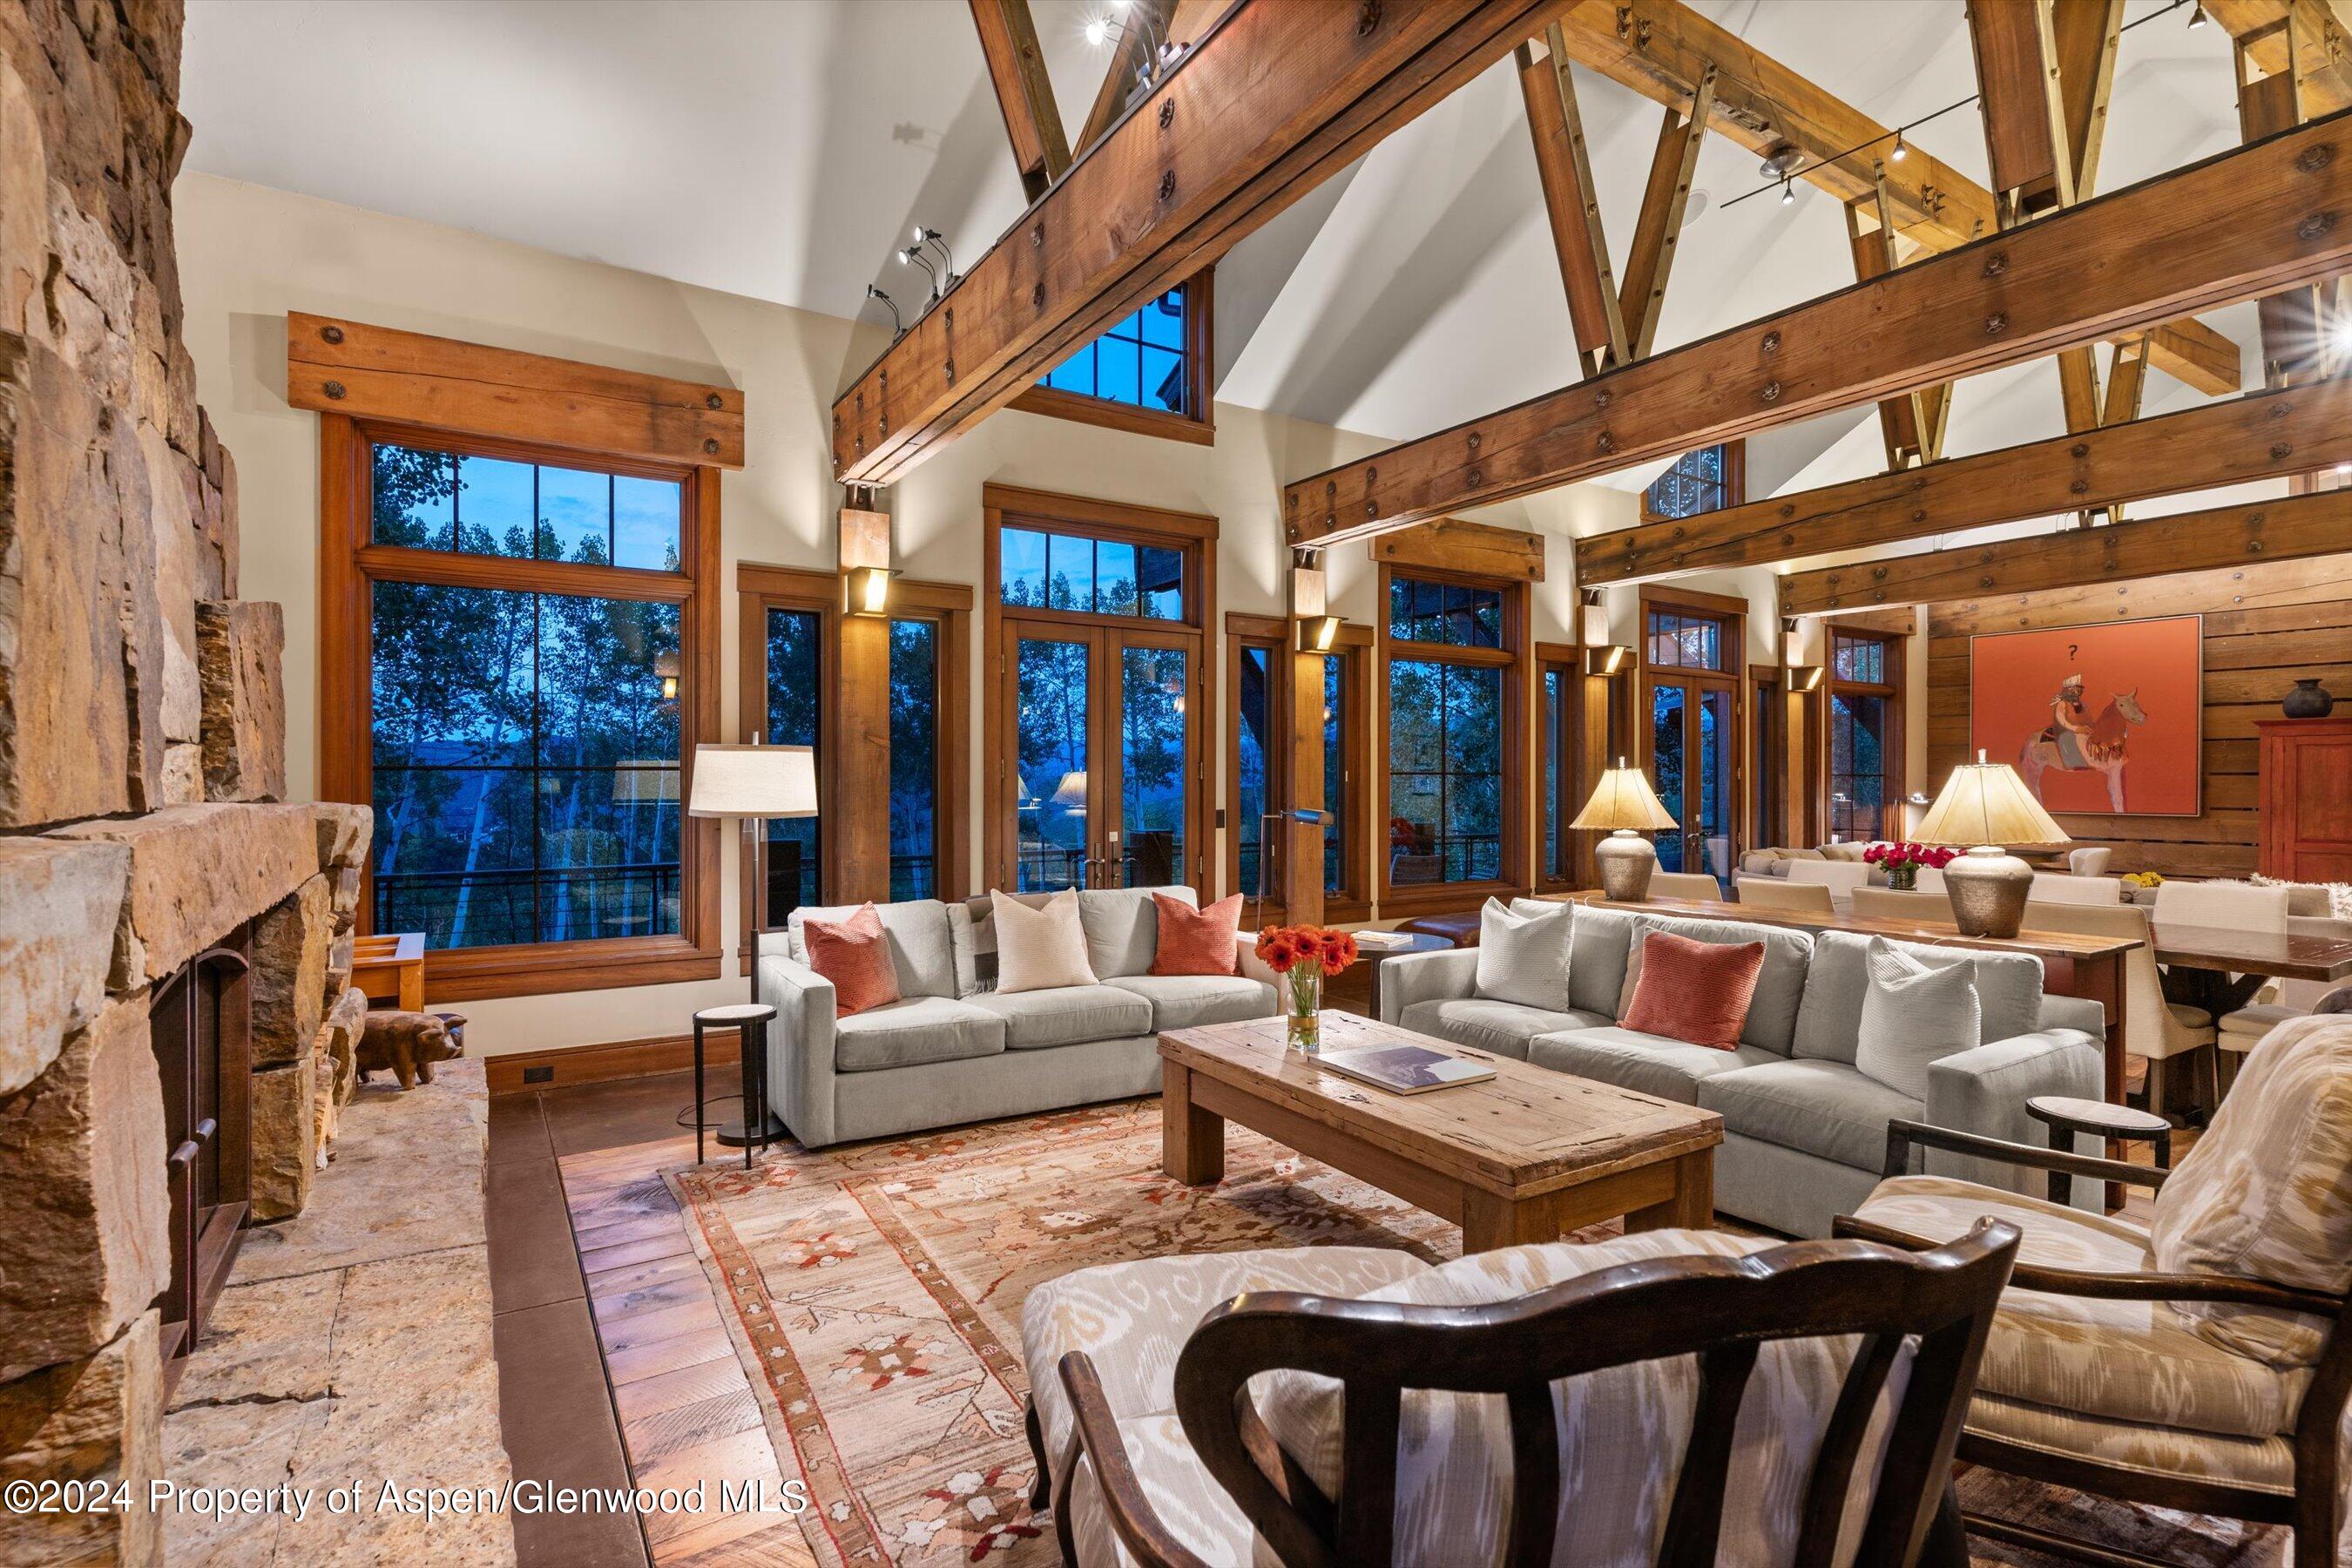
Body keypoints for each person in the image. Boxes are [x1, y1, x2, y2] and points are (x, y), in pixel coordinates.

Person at [2038, 672, 2093, 769]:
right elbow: (2062, 721)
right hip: (2066, 731)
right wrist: (2076, 729)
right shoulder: (2062, 704)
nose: (2077, 692)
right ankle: (2075, 763)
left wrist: (2089, 728)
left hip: (2083, 729)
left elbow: (2088, 718)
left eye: (2079, 689)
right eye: (2074, 689)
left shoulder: (2082, 704)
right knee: (2067, 738)